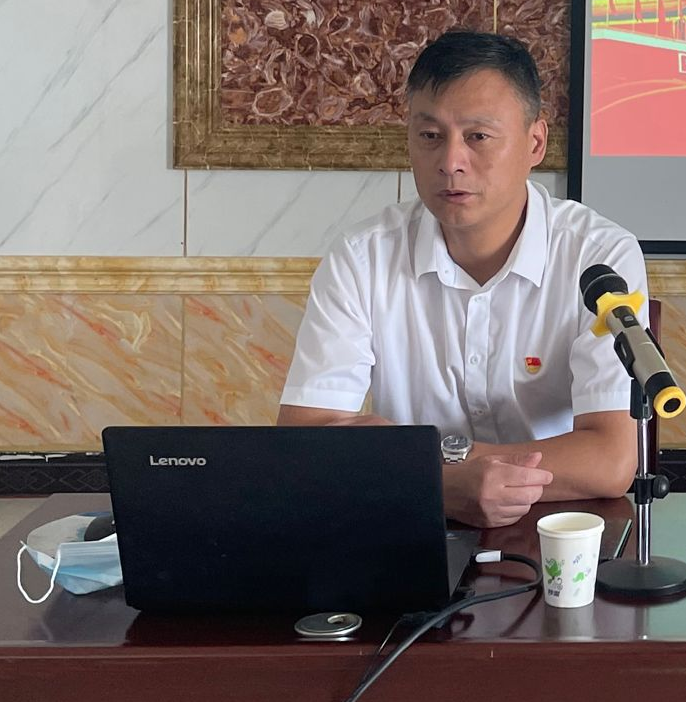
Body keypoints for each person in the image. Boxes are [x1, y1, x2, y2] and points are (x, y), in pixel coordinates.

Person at [276, 31, 645, 530]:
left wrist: (430, 464)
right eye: (430, 136)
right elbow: (304, 440)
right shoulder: (362, 257)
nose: (450, 162)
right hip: (411, 526)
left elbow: (609, 461)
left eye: (478, 137)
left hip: (559, 531)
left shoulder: (597, 256)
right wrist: (441, 483)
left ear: (535, 142)